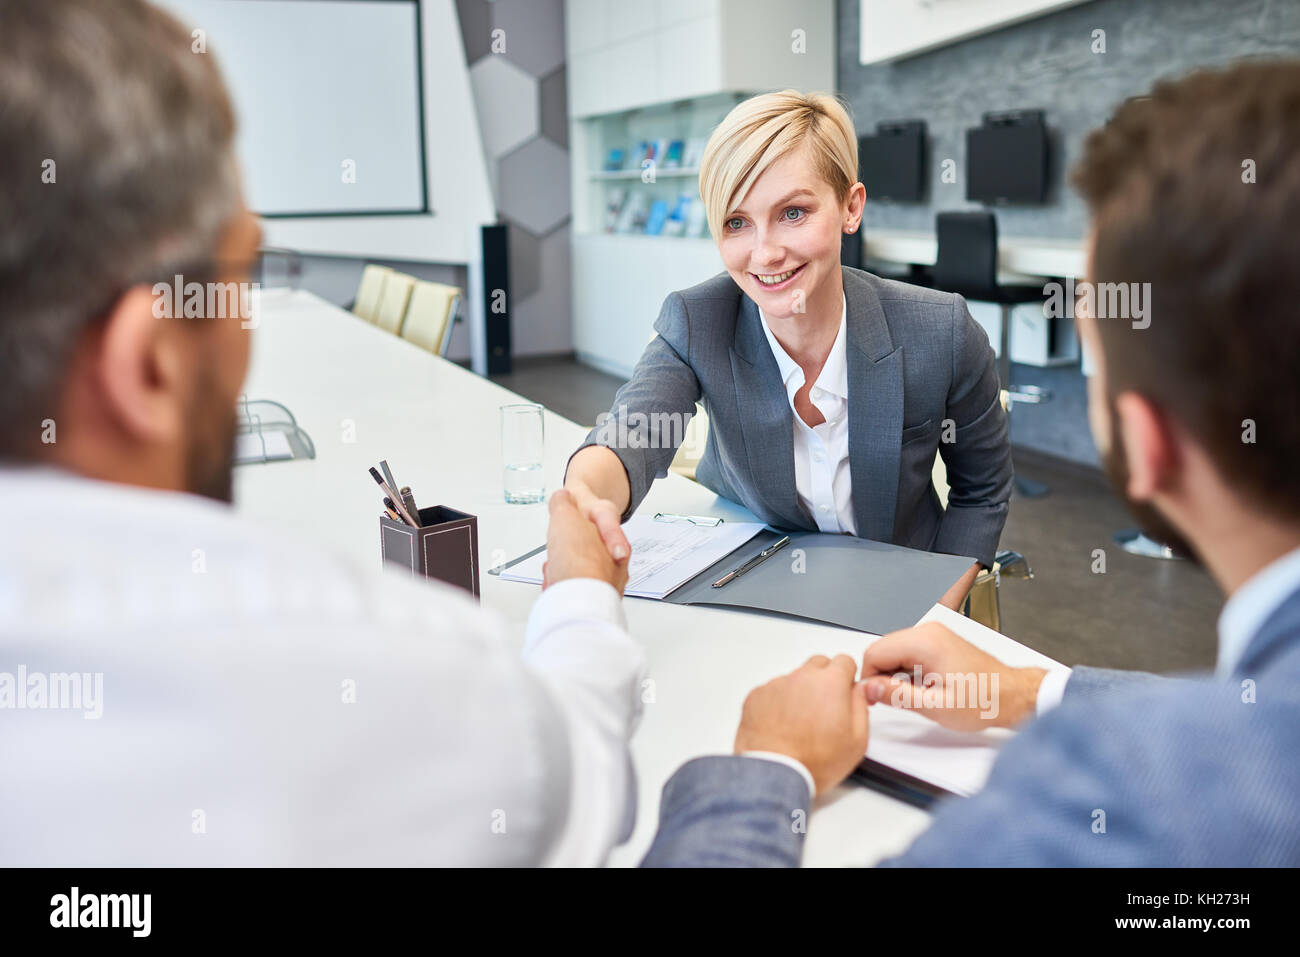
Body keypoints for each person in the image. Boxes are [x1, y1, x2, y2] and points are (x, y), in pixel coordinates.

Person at [0, 0, 641, 866]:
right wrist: (576, 593)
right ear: (148, 366)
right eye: (241, 270)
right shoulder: (383, 670)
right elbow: (578, 772)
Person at [641, 60, 1300, 867]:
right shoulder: (1238, 731)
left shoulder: (1107, 799)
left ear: (1145, 444)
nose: (765, 248)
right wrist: (1035, 690)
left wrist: (769, 765)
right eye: (737, 221)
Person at [563, 91, 1013, 606]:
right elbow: (630, 434)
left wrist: (934, 613)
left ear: (851, 206)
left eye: (793, 213)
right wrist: (583, 500)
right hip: (759, 581)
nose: (765, 253)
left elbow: (981, 491)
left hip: (900, 588)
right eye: (737, 223)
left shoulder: (942, 331)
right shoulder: (697, 320)